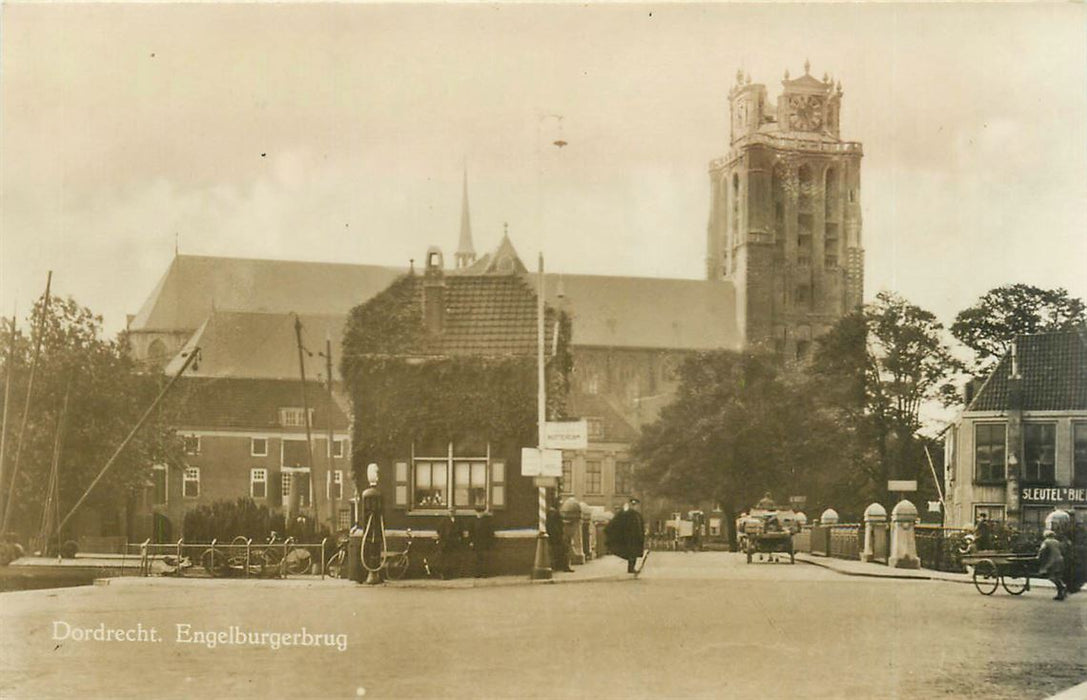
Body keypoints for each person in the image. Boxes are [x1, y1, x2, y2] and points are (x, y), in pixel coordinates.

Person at [605, 498, 646, 574]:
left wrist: (642, 536)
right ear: (630, 505)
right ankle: (631, 568)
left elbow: (641, 526)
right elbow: (615, 523)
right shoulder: (625, 514)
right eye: (632, 504)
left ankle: (631, 568)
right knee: (631, 553)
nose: (634, 506)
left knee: (634, 553)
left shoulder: (638, 515)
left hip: (636, 538)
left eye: (635, 505)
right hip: (628, 538)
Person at [1037, 529, 1066, 601]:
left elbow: (1042, 550)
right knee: (1057, 576)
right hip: (1060, 560)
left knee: (1051, 576)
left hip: (1052, 561)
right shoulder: (1057, 542)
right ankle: (1060, 594)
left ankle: (1061, 587)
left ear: (1046, 536)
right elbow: (1062, 550)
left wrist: (1038, 557)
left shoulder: (1046, 542)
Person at [470, 505, 495, 578]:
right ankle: (477, 573)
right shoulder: (473, 521)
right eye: (478, 512)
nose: (479, 514)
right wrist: (471, 541)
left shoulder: (486, 521)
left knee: (485, 558)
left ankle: (484, 573)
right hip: (476, 542)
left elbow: (490, 532)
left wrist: (490, 541)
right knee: (477, 558)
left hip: (484, 542)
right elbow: (471, 532)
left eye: (481, 512)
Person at [546, 501, 571, 572]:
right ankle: (564, 567)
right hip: (557, 536)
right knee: (564, 550)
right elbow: (557, 525)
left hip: (553, 536)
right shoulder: (555, 513)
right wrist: (559, 533)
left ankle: (558, 567)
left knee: (556, 552)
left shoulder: (550, 513)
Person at [435, 509, 459, 580]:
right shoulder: (444, 520)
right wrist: (442, 537)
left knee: (451, 559)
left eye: (453, 511)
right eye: (450, 511)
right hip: (445, 542)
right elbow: (439, 529)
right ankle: (444, 575)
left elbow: (459, 530)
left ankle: (451, 574)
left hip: (453, 542)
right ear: (448, 512)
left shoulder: (457, 520)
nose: (452, 513)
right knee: (444, 559)